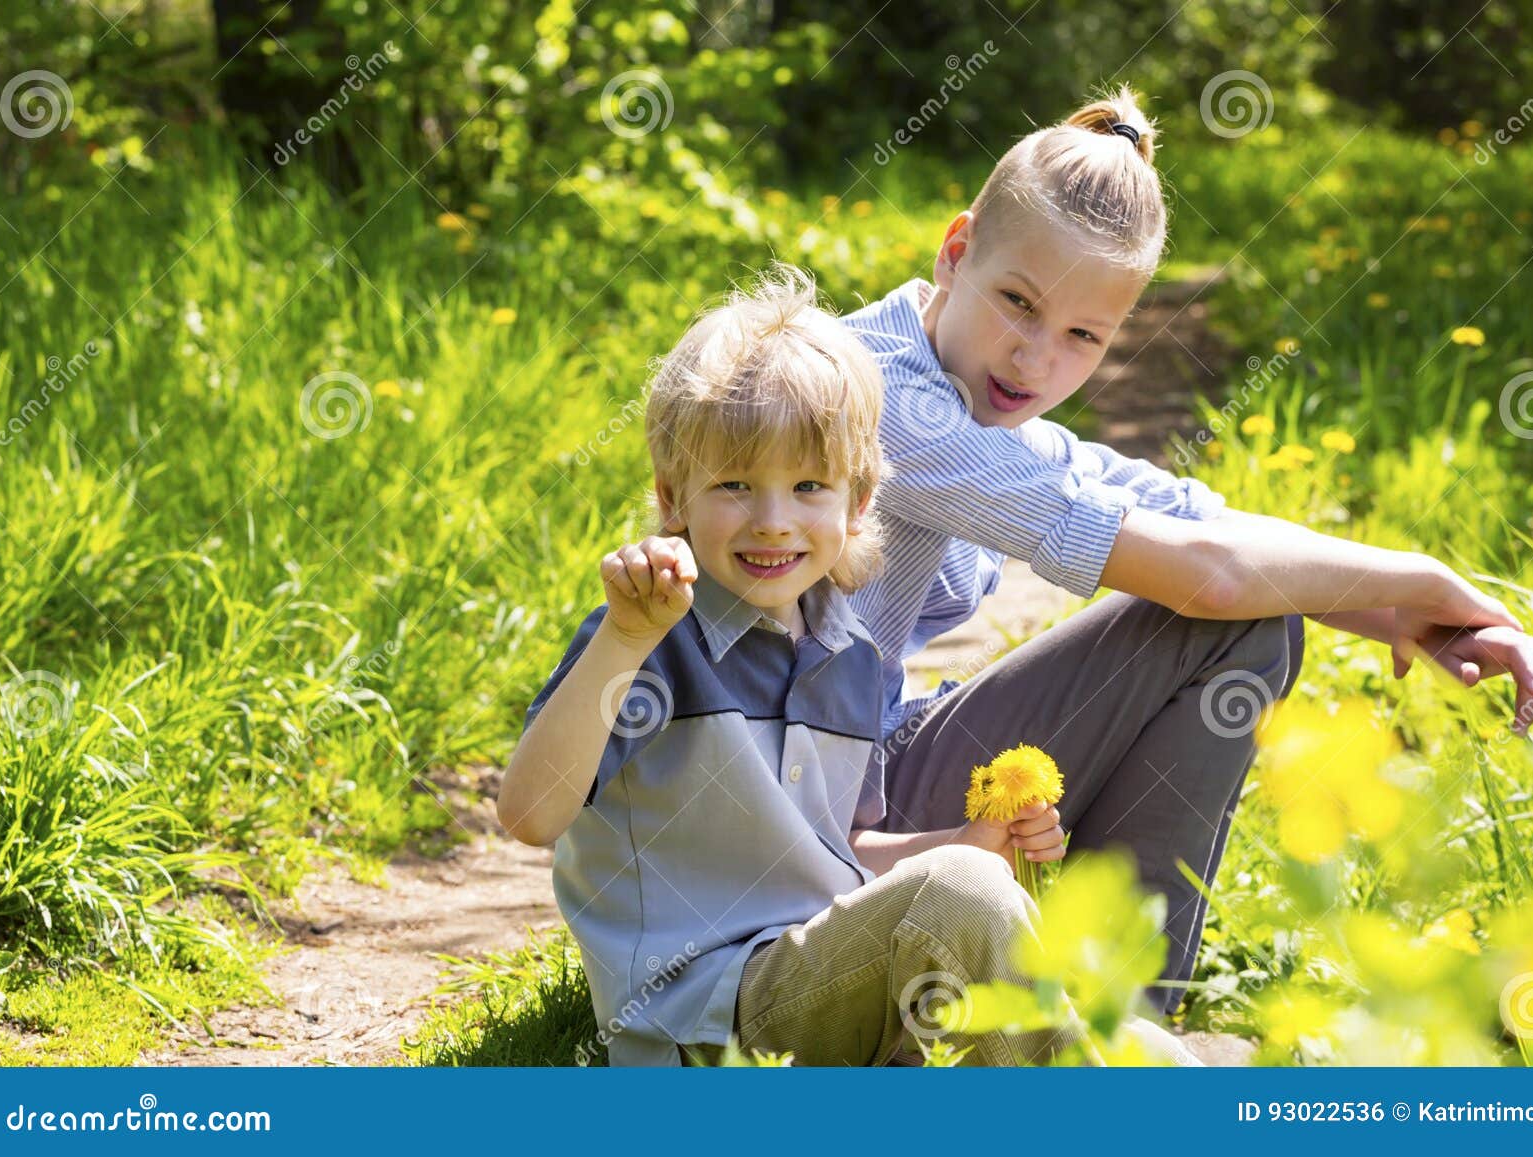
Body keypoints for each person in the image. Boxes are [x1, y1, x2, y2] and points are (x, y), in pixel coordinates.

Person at [839, 87, 1533, 1015]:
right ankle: (1118, 1021)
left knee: (1256, 609)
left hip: (861, 766)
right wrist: (1427, 579)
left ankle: (1102, 998)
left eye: (1081, 337)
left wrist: (1402, 615)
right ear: (956, 248)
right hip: (784, 817)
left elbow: (1196, 518)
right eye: (1017, 302)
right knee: (1233, 619)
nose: (1033, 359)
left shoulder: (971, 389)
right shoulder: (888, 399)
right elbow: (1208, 572)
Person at [496, 265, 1199, 1067]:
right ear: (672, 496)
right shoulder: (652, 634)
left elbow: (840, 852)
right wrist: (622, 642)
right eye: (734, 484)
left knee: (1148, 1046)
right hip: (706, 1022)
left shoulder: (848, 650)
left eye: (807, 486)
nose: (773, 521)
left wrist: (968, 842)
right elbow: (528, 816)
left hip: (824, 978)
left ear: (858, 501)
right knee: (967, 905)